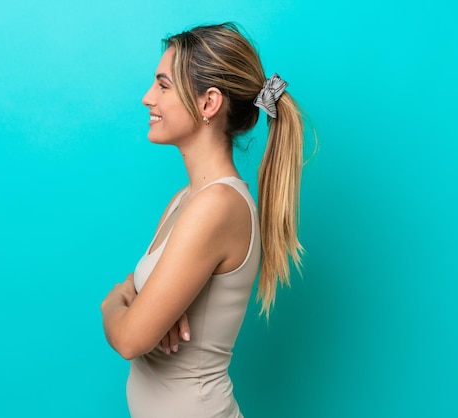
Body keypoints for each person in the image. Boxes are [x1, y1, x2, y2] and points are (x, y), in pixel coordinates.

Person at [101, 22, 305, 418]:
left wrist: (113, 302)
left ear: (208, 103)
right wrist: (136, 301)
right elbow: (137, 299)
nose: (147, 98)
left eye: (163, 85)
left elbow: (129, 339)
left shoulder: (218, 206)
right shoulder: (186, 200)